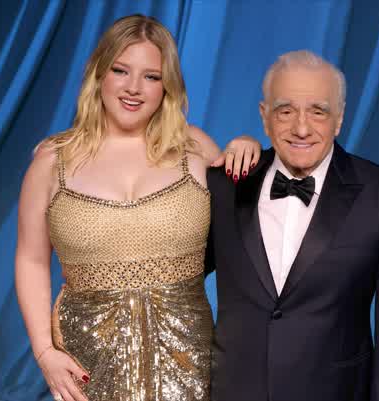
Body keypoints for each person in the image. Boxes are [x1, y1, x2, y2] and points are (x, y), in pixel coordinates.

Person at [15, 15, 260, 401]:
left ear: (167, 86)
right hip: (87, 356)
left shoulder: (195, 147)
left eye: (151, 76)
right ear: (99, 74)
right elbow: (31, 260)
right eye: (120, 70)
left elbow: (247, 239)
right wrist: (45, 353)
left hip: (189, 359)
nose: (133, 88)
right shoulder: (51, 161)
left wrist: (248, 149)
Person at [206, 50, 379, 401]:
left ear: (339, 119)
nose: (301, 128)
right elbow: (172, 278)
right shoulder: (223, 185)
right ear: (264, 116)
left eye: (318, 112)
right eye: (285, 111)